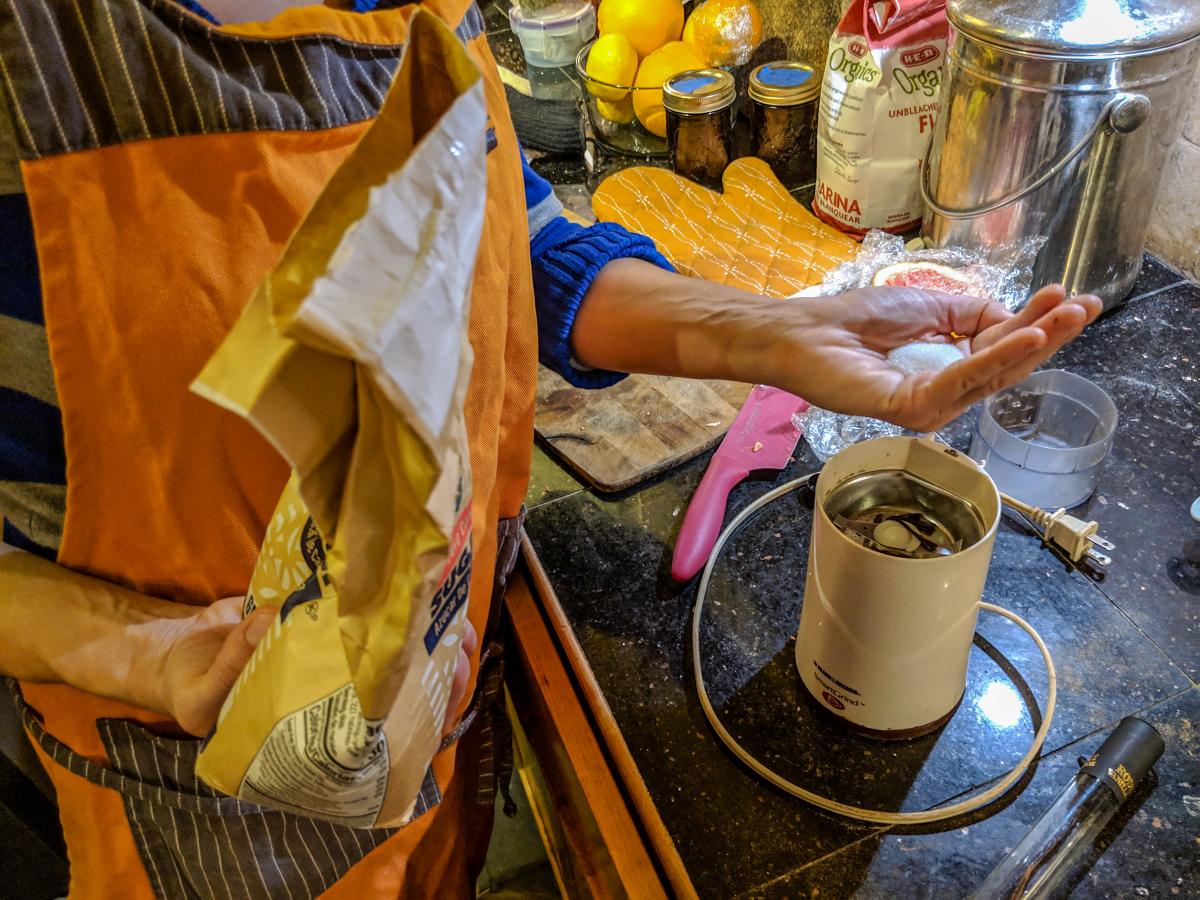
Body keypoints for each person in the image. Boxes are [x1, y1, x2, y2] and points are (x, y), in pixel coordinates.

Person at [0, 0, 1100, 897]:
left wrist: (772, 331)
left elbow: (506, 235)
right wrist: (130, 648)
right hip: (199, 798)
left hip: (437, 707)